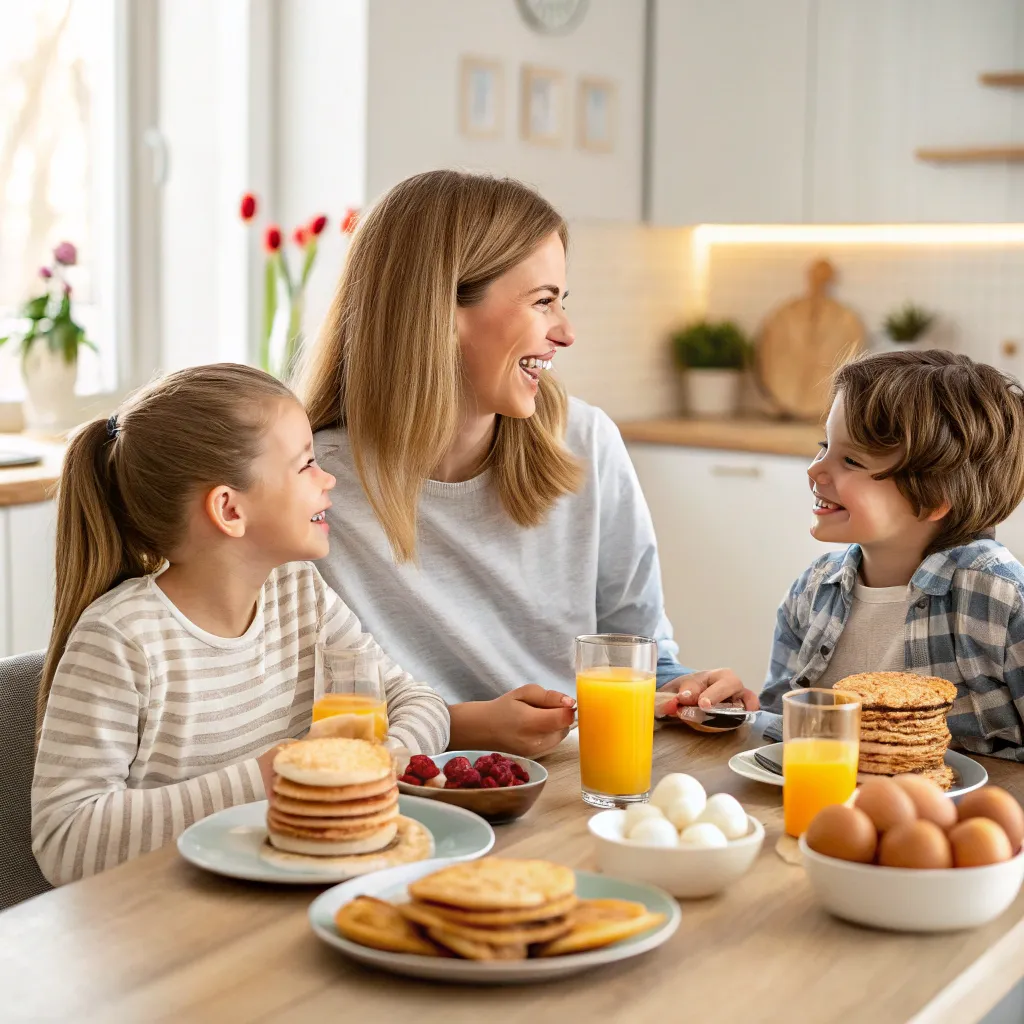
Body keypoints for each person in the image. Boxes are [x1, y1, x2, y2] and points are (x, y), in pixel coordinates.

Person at [302, 169, 758, 759]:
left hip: (576, 786)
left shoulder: (586, 443)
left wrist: (683, 689)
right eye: (543, 302)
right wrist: (460, 726)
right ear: (441, 310)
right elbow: (289, 711)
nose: (566, 333)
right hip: (392, 793)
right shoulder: (311, 486)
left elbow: (642, 649)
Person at [32, 364, 448, 886]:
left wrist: (373, 766)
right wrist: (271, 776)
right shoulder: (121, 639)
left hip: (288, 894)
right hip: (163, 934)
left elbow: (419, 701)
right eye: (306, 466)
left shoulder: (299, 594)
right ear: (229, 509)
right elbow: (66, 841)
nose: (328, 479)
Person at [761, 349, 1024, 761]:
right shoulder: (812, 590)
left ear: (936, 496)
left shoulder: (997, 599)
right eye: (824, 445)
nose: (815, 469)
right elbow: (778, 731)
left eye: (851, 460)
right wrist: (731, 711)